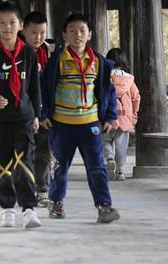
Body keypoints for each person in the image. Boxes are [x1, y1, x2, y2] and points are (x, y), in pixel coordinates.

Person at [40, 13, 120, 223]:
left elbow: (109, 92)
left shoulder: (98, 62)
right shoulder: (57, 60)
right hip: (61, 125)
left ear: (90, 35)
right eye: (72, 30)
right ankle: (56, 202)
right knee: (60, 167)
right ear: (64, 35)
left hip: (90, 124)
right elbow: (43, 88)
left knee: (97, 167)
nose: (78, 35)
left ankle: (104, 206)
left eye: (82, 30)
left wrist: (110, 117)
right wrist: (43, 114)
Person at [0, 1, 42, 229]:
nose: (7, 27)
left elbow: (34, 87)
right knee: (0, 164)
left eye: (12, 22)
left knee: (25, 164)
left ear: (21, 25)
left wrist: (37, 114)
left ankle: (29, 209)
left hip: (23, 117)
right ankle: (7, 209)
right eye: (2, 23)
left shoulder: (29, 53)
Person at [22, 11, 57, 206]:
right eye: (34, 33)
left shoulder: (52, 53)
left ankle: (42, 189)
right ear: (24, 31)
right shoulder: (16, 53)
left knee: (44, 151)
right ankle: (25, 187)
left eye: (42, 32)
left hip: (46, 112)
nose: (38, 37)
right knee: (25, 152)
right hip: (23, 111)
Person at [104, 48, 140, 181]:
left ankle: (109, 158)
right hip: (124, 117)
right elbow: (136, 97)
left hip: (107, 117)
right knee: (121, 145)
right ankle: (120, 171)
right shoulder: (129, 79)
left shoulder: (104, 77)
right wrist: (134, 113)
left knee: (105, 140)